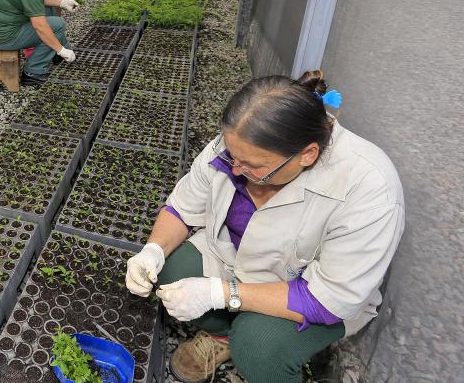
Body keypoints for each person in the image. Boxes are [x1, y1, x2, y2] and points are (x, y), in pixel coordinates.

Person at [125, 71, 404, 383]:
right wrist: (152, 251)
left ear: (307, 155)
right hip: (235, 259)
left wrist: (218, 294)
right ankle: (222, 335)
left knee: (258, 346)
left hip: (309, 295)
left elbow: (327, 299)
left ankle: (252, 341)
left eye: (253, 166)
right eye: (232, 156)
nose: (235, 169)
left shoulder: (369, 188)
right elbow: (182, 208)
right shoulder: (242, 146)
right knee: (169, 271)